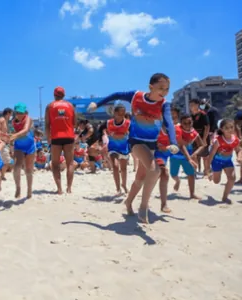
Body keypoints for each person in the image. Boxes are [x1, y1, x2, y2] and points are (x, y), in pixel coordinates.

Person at [88, 73, 178, 223]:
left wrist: (173, 141)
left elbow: (169, 123)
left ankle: (128, 202)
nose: (164, 91)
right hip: (135, 142)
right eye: (161, 88)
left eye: (167, 89)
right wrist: (98, 104)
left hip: (151, 144)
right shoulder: (136, 96)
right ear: (151, 87)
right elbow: (116, 94)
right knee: (155, 169)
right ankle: (143, 207)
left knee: (141, 178)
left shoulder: (164, 105)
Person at [45, 86, 76, 194]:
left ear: (54, 95)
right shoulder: (70, 106)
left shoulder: (49, 106)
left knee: (55, 164)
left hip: (56, 137)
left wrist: (48, 138)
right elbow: (74, 122)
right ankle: (69, 188)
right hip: (69, 136)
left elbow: (47, 124)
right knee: (70, 163)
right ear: (63, 95)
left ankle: (59, 189)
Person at [98, 101, 130, 195]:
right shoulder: (108, 123)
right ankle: (118, 188)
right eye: (119, 113)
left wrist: (128, 135)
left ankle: (124, 184)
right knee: (115, 166)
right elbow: (100, 130)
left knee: (123, 169)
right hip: (113, 148)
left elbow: (134, 133)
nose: (121, 115)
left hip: (124, 148)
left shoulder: (128, 123)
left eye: (123, 114)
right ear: (115, 113)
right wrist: (101, 141)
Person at [170, 114, 205, 200]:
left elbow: (202, 145)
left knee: (191, 174)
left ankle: (192, 193)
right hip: (175, 156)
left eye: (189, 122)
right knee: (173, 174)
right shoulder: (178, 130)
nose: (187, 125)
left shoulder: (194, 133)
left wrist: (195, 154)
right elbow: (181, 146)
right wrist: (190, 158)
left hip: (187, 157)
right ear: (181, 123)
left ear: (192, 122)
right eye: (184, 123)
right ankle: (177, 181)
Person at [207, 119, 240, 204]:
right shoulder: (218, 141)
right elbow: (211, 155)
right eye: (227, 128)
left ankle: (225, 197)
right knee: (216, 181)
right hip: (217, 162)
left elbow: (238, 150)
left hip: (228, 161)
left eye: (231, 127)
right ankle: (213, 174)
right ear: (222, 129)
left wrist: (239, 157)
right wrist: (207, 168)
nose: (230, 130)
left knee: (232, 178)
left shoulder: (235, 139)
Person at [10, 103, 35, 199]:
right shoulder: (13, 122)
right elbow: (13, 134)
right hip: (18, 146)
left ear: (25, 112)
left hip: (30, 146)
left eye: (21, 112)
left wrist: (14, 136)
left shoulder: (28, 118)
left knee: (28, 169)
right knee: (16, 167)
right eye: (17, 112)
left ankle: (29, 189)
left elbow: (25, 130)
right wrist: (11, 140)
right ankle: (18, 187)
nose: (19, 114)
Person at [189, 99, 210, 177]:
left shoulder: (203, 114)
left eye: (192, 105)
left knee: (205, 156)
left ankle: (206, 172)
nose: (191, 107)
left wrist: (204, 139)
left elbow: (207, 127)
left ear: (197, 105)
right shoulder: (191, 116)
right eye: (190, 105)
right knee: (194, 155)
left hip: (203, 137)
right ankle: (194, 172)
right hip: (194, 138)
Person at [0, 108, 13, 180]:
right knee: (7, 161)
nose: (11, 115)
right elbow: (3, 133)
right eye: (11, 114)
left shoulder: (0, 119)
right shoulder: (3, 120)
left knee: (1, 161)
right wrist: (9, 137)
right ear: (8, 113)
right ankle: (2, 176)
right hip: (1, 142)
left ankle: (1, 175)